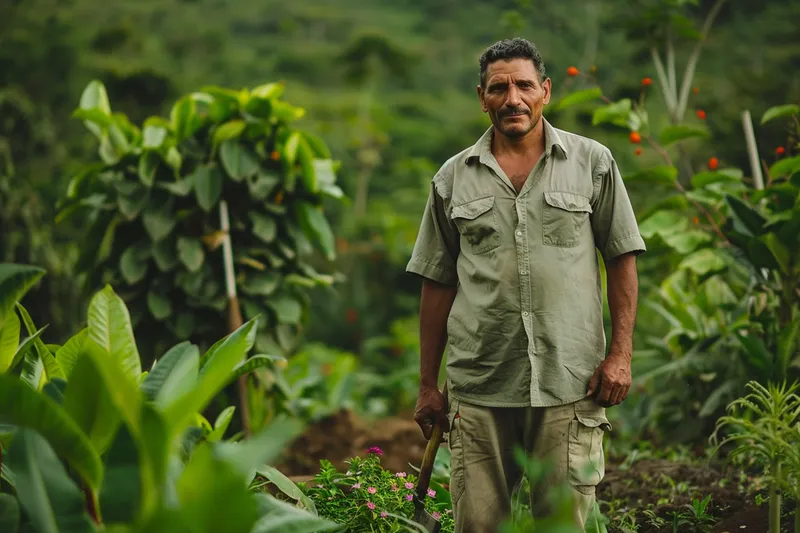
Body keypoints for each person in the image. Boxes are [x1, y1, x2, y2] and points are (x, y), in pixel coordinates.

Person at [406, 37, 646, 533]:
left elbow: (621, 257)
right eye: (499, 88)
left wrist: (620, 355)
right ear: (482, 97)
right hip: (480, 385)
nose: (512, 98)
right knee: (477, 524)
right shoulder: (452, 179)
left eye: (523, 85)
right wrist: (428, 384)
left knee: (562, 524)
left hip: (570, 381)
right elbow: (437, 282)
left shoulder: (592, 163)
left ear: (545, 92)